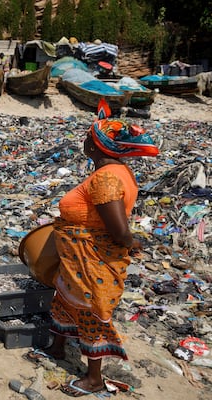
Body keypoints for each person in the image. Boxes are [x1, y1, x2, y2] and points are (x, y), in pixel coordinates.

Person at [25, 100, 159, 397]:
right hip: (77, 259)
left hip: (92, 260)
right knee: (65, 301)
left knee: (89, 312)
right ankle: (57, 348)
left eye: (88, 137)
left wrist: (131, 243)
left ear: (98, 146)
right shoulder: (112, 172)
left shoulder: (107, 178)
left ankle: (94, 378)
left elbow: (118, 228)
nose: (84, 141)